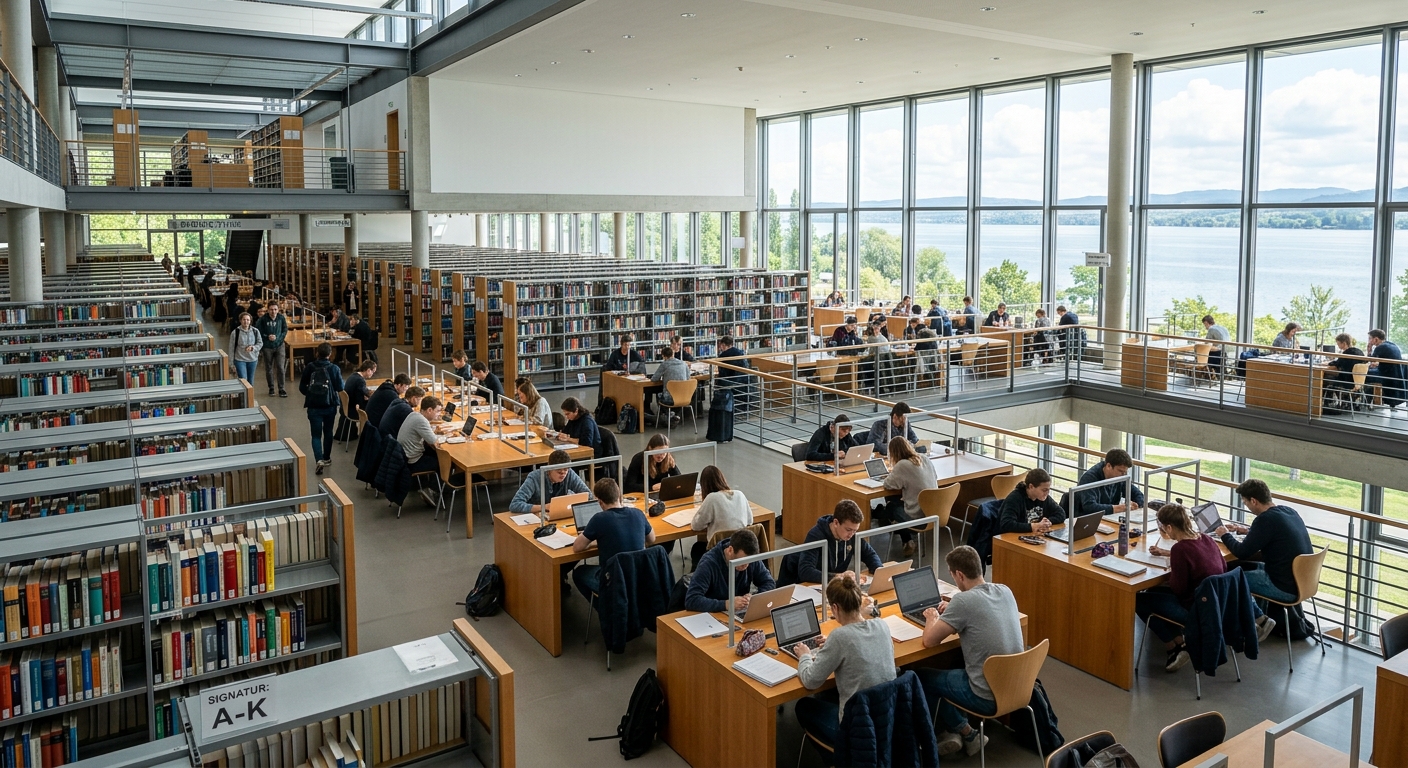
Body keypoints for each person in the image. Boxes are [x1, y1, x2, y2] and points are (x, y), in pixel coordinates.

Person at [1137, 504, 1276, 673]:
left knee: (1140, 600)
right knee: (1154, 595)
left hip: (1197, 611)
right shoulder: (1206, 539)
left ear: (1169, 527)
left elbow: (1179, 589)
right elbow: (1223, 567)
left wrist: (1168, 579)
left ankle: (1176, 645)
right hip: (1219, 605)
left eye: (1164, 529)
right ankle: (1179, 644)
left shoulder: (1179, 549)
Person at [917, 545, 1025, 758]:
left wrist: (932, 617)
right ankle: (961, 732)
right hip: (1017, 686)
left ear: (959, 574)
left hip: (986, 694)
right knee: (953, 665)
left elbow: (929, 641)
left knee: (920, 676)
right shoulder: (1004, 590)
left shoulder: (963, 601)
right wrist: (955, 611)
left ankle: (951, 736)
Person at [793, 574, 894, 748]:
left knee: (803, 706)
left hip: (857, 727)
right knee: (827, 695)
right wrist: (831, 646)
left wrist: (804, 656)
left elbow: (810, 680)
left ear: (835, 607)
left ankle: (839, 760)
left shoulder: (840, 637)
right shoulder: (882, 625)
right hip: (887, 717)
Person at [1216, 479, 1314, 605]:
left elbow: (1241, 552)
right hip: (1303, 582)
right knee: (1244, 567)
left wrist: (1224, 535)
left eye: (1245, 502)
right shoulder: (1288, 511)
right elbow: (1274, 533)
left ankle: (1258, 619)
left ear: (1253, 501)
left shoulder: (1265, 520)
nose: (1247, 506)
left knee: (1226, 580)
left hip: (1283, 587)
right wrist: (1246, 531)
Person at [572, 478, 653, 600]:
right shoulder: (638, 513)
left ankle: (604, 608)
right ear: (619, 495)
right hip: (639, 575)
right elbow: (652, 539)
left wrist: (594, 541)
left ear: (600, 502)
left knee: (579, 573)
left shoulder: (599, 519)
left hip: (613, 578)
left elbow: (577, 547)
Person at [685, 529, 775, 613]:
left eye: (749, 562)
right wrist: (726, 604)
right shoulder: (708, 564)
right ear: (730, 550)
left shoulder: (749, 557)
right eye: (742, 562)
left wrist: (755, 597)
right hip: (714, 614)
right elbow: (692, 600)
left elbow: (769, 582)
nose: (746, 566)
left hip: (738, 611)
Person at [794, 500, 883, 585]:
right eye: (848, 530)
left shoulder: (851, 535)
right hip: (813, 585)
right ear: (836, 523)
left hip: (835, 586)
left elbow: (870, 555)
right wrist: (838, 577)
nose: (851, 535)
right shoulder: (816, 535)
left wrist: (879, 570)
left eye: (855, 531)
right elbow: (805, 571)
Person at [875, 437, 937, 557]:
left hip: (919, 520)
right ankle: (904, 537)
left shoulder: (902, 465)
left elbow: (888, 484)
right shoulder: (924, 458)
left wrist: (893, 473)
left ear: (893, 453)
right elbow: (935, 476)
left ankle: (905, 538)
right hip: (935, 514)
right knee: (894, 503)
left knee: (891, 506)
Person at [689, 465, 753, 563]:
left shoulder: (711, 498)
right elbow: (750, 520)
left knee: (697, 548)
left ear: (704, 486)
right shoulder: (740, 494)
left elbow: (695, 526)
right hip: (740, 547)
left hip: (720, 550)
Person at [299, 343, 345, 475]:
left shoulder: (310, 367)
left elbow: (302, 387)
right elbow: (340, 387)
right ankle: (327, 458)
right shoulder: (334, 368)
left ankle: (318, 459)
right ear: (330, 354)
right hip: (329, 405)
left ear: (316, 353)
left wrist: (311, 394)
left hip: (313, 407)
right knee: (328, 432)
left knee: (316, 435)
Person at [509, 450, 591, 516]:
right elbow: (515, 505)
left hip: (559, 516)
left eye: (566, 470)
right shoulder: (535, 478)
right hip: (537, 518)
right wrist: (544, 507)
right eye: (559, 471)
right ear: (549, 468)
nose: (563, 474)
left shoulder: (569, 474)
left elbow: (589, 496)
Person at [1075, 448, 1145, 517]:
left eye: (1125, 472)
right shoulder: (1089, 478)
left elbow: (1138, 494)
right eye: (1120, 471)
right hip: (1087, 520)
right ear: (1108, 466)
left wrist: (1135, 504)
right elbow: (1089, 507)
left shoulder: (1120, 476)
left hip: (1109, 518)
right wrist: (1120, 508)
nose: (1124, 475)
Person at [998, 468, 1067, 534]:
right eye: (1044, 490)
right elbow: (1006, 524)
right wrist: (1033, 526)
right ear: (1031, 487)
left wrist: (1048, 522)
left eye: (1048, 490)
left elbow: (1061, 513)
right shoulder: (1015, 498)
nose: (1047, 493)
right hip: (1011, 539)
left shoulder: (1043, 497)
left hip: (1032, 535)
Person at [398, 395, 444, 475]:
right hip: (413, 461)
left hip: (405, 456)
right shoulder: (421, 421)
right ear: (429, 410)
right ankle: (437, 486)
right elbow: (434, 442)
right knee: (444, 462)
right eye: (438, 411)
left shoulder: (414, 414)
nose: (439, 414)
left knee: (434, 453)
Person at [254, 302, 289, 397]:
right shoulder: (263, 319)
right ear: (268, 310)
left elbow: (285, 330)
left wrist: (278, 337)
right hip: (267, 347)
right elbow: (258, 331)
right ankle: (271, 388)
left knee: (280, 368)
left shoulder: (281, 318)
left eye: (275, 309)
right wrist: (266, 337)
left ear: (278, 310)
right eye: (271, 309)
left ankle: (282, 388)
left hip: (279, 346)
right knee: (269, 368)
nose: (273, 312)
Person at [1366, 329, 1406, 408]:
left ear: (1376, 339)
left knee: (1362, 374)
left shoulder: (1380, 347)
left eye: (1370, 338)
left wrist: (1369, 350)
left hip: (1386, 375)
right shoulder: (1392, 344)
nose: (1369, 341)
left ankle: (1367, 400)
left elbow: (1370, 360)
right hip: (1396, 374)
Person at [648, 346, 690, 420]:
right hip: (684, 396)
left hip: (669, 398)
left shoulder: (664, 364)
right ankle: (676, 415)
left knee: (659, 395)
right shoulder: (684, 364)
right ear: (673, 354)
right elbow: (688, 378)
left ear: (663, 356)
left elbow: (654, 379)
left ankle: (666, 415)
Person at [227, 312, 262, 385]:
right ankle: (244, 396)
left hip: (252, 359)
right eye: (244, 319)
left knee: (250, 381)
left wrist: (253, 348)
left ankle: (249, 396)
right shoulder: (235, 332)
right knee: (243, 380)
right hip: (240, 359)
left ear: (250, 321)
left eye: (248, 320)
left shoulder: (255, 331)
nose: (246, 321)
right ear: (240, 320)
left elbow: (260, 343)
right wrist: (231, 364)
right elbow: (231, 348)